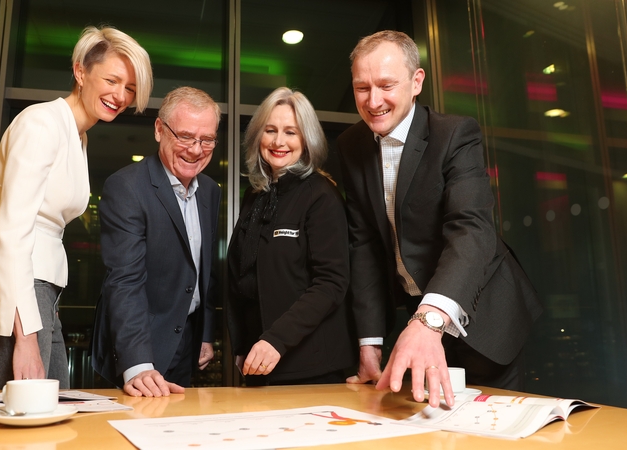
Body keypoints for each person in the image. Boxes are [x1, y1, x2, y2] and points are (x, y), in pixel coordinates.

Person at [337, 30, 542, 407]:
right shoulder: (350, 146)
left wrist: (429, 319)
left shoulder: (455, 134)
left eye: (386, 85)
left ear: (417, 82)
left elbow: (471, 229)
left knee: (492, 428)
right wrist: (370, 342)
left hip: (485, 314)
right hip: (419, 322)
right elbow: (363, 244)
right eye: (361, 87)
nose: (373, 100)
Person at [0, 25, 153, 389]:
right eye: (112, 80)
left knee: (49, 409)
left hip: (38, 287)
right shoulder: (42, 124)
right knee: (23, 420)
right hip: (12, 283)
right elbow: (13, 230)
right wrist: (25, 339)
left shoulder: (76, 134)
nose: (120, 95)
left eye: (130, 88)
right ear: (81, 71)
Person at [92, 86, 221, 397]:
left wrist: (204, 335)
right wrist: (137, 365)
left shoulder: (211, 190)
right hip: (137, 346)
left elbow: (204, 271)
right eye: (186, 137)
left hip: (185, 344)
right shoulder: (127, 187)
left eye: (206, 140)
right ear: (160, 130)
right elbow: (124, 281)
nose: (195, 150)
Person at [227, 87, 355, 386]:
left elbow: (331, 283)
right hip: (259, 362)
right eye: (270, 130)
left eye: (290, 132)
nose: (278, 141)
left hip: (310, 367)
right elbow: (243, 278)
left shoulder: (322, 196)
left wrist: (276, 340)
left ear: (307, 140)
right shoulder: (255, 195)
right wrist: (242, 345)